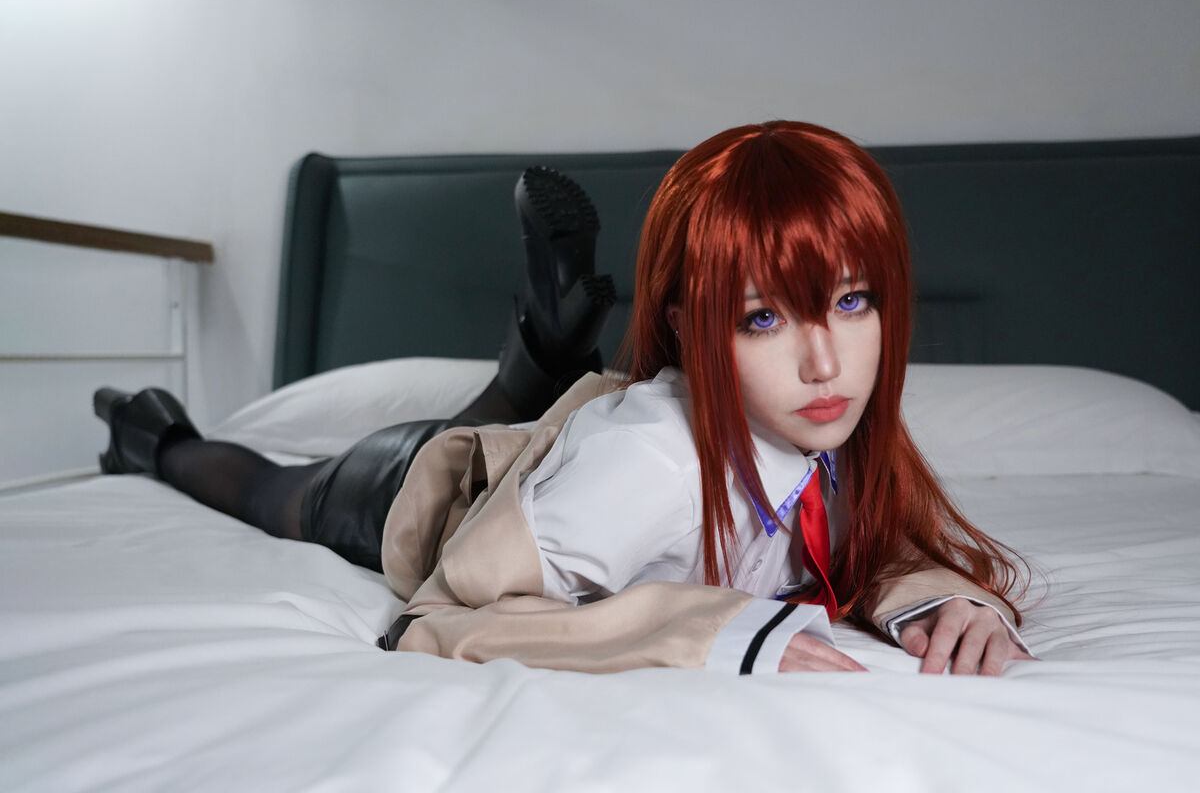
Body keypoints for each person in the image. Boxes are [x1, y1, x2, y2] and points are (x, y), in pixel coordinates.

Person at [94, 121, 1030, 676]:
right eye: (763, 318)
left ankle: (540, 361)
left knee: (519, 419)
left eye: (852, 302)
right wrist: (702, 632)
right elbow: (433, 623)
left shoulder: (826, 420)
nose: (826, 364)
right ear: (687, 325)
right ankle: (152, 437)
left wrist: (935, 601)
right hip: (422, 494)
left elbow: (864, 546)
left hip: (540, 467)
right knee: (276, 493)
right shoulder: (651, 462)